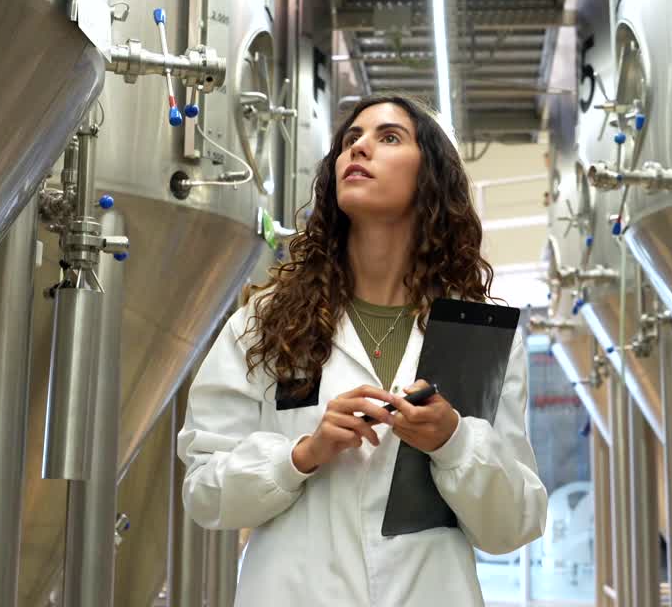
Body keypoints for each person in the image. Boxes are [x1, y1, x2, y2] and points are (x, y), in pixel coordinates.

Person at [177, 93, 548, 606]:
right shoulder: (266, 321)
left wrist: (454, 442)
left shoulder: (477, 337)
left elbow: (514, 524)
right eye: (351, 140)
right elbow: (203, 491)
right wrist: (302, 455)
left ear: (430, 179)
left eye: (388, 137)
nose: (360, 149)